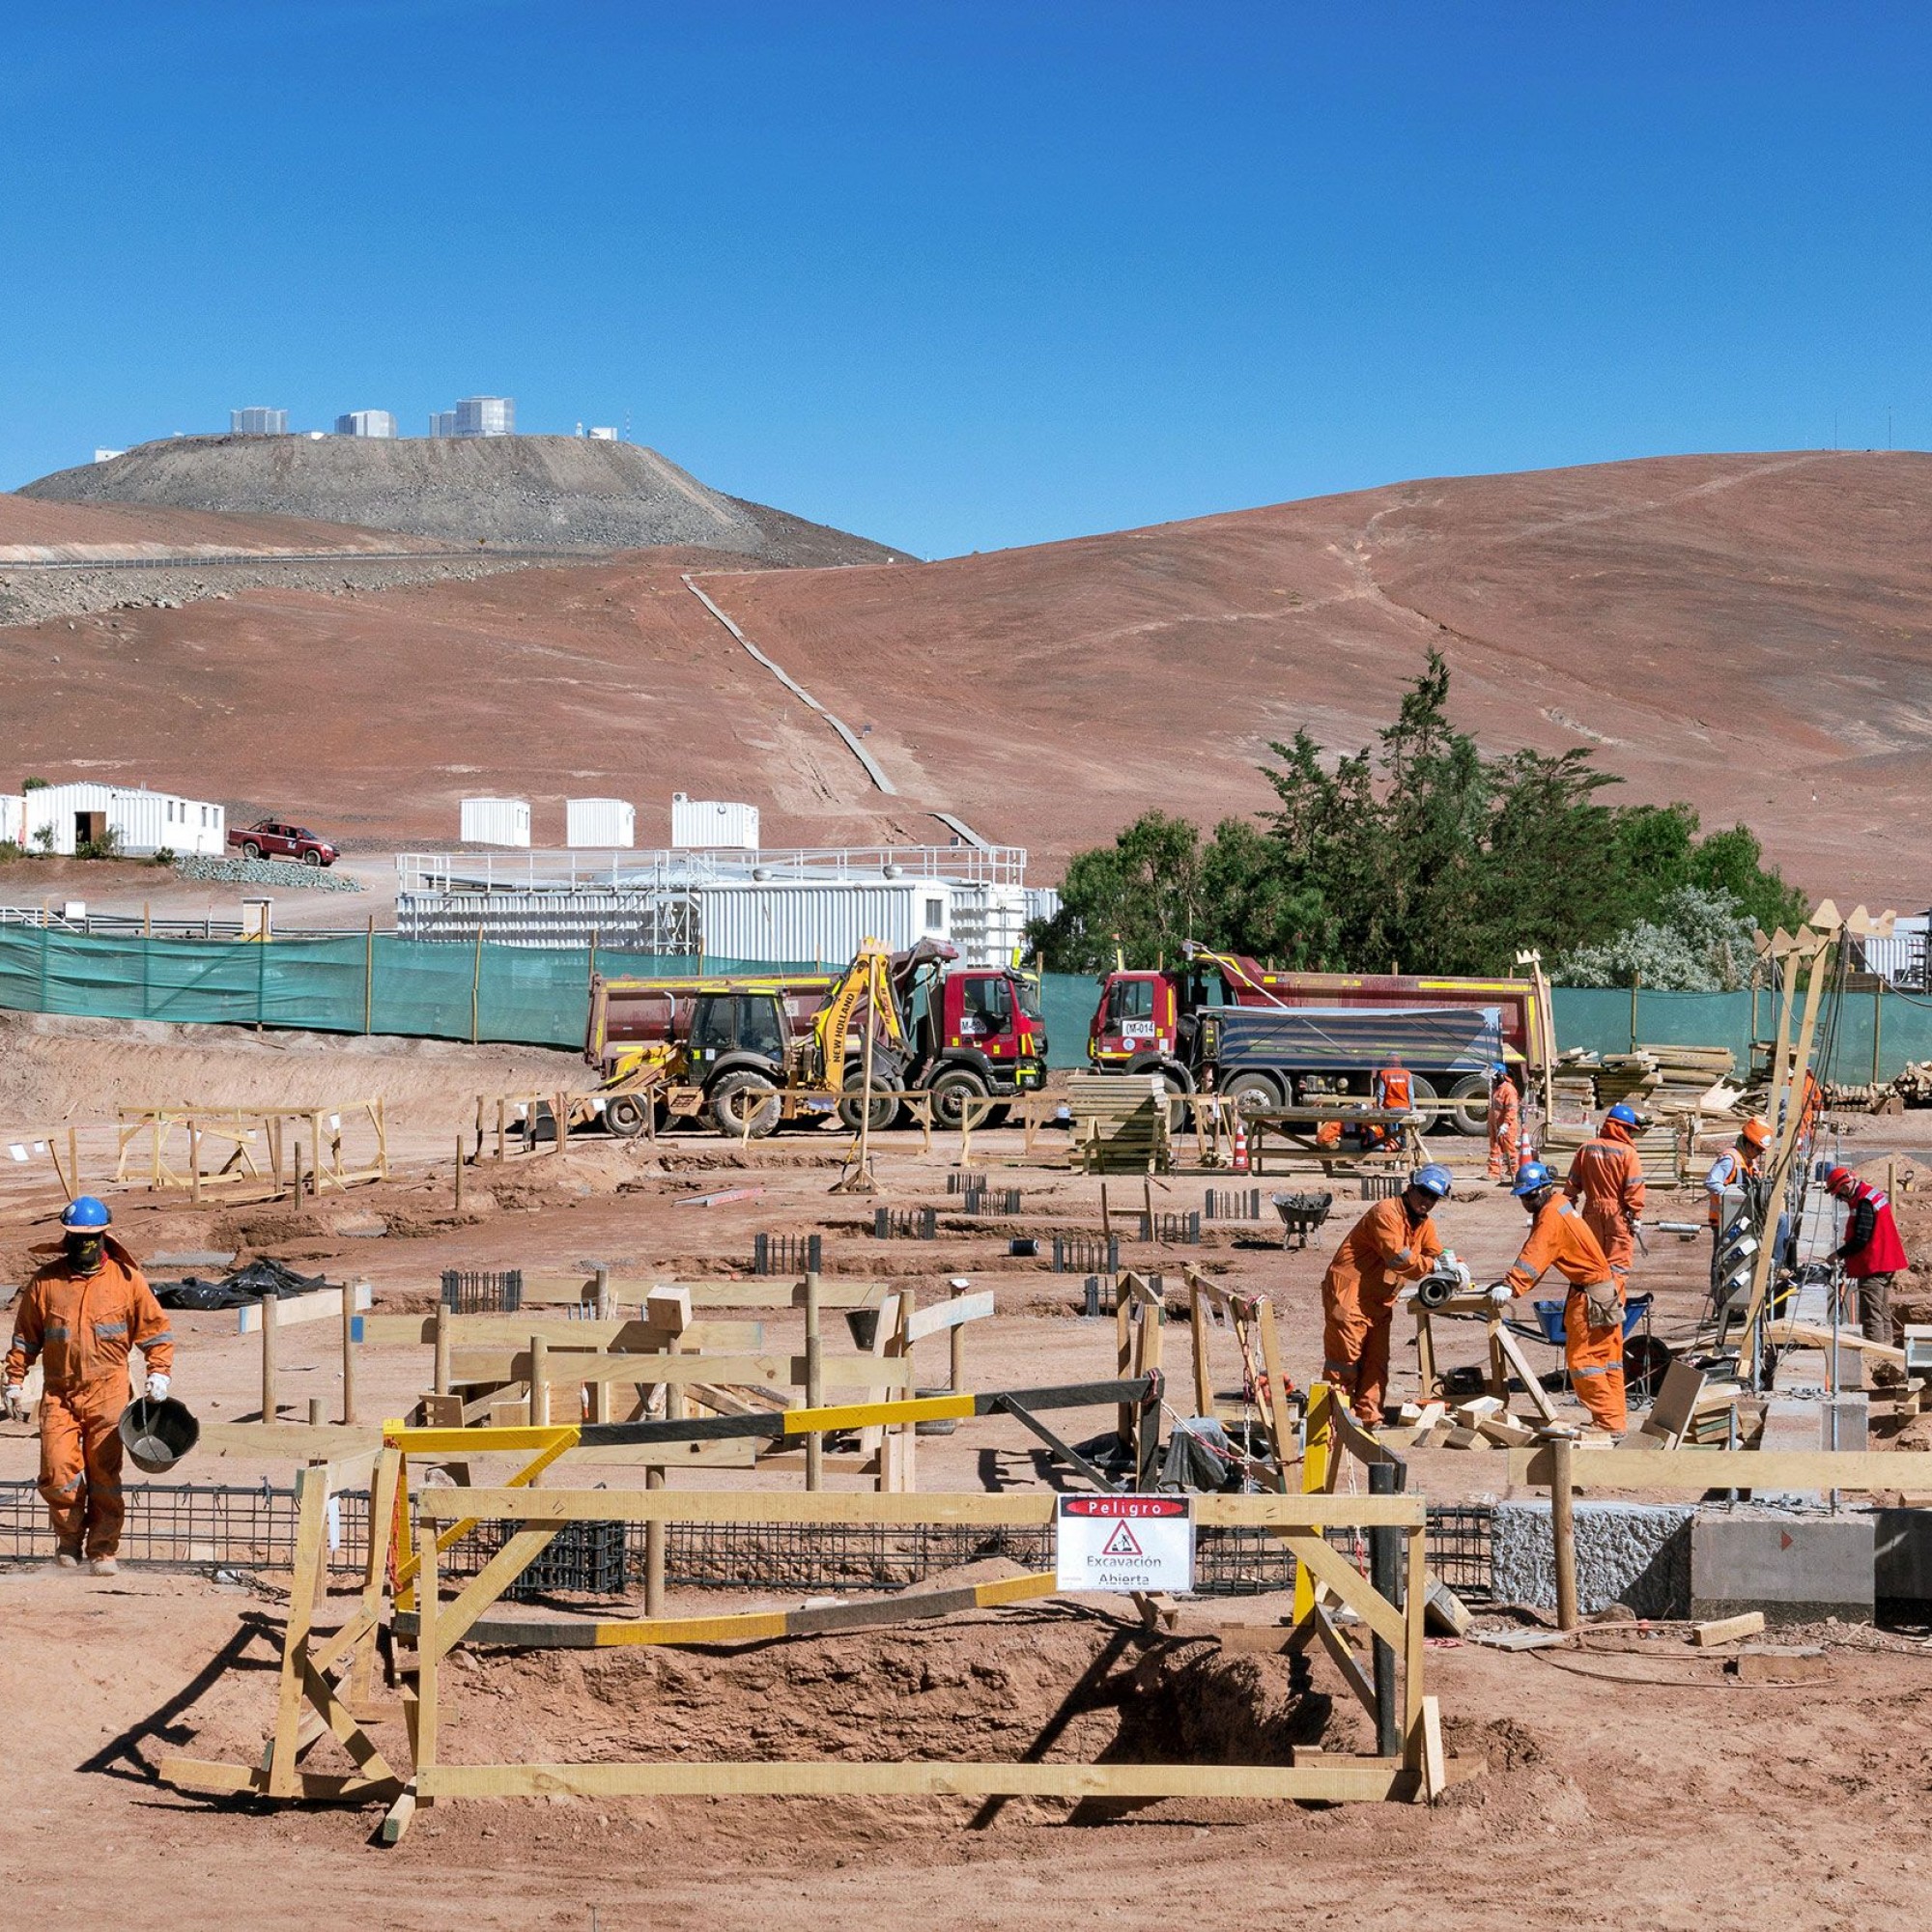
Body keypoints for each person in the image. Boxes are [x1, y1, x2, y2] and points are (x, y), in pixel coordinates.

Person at [2, 1197, 174, 1576]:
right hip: (59, 1394)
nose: (84, 1244)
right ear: (66, 1237)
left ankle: (102, 1550)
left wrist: (159, 1372)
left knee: (104, 1476)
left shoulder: (127, 1282)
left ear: (103, 1236)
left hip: (109, 1392)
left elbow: (156, 1333)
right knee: (58, 1469)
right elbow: (25, 1339)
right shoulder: (46, 1283)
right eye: (77, 1237)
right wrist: (14, 1380)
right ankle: (67, 1541)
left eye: (91, 1237)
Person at [1491, 1161, 1627, 1434]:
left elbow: (1536, 1254)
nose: (1526, 1202)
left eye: (1529, 1196)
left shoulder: (1551, 1215)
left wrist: (1511, 1286)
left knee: (1584, 1362)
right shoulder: (1560, 1205)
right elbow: (1542, 1255)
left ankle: (1607, 1423)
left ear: (1544, 1189)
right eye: (1522, 1197)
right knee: (1607, 1359)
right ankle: (1614, 1421)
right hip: (1604, 1291)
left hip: (1590, 1297)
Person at [1320, 1163, 1453, 1428]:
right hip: (1350, 1293)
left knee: (1376, 1362)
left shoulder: (1424, 1224)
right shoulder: (1386, 1213)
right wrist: (1433, 1265)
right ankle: (1337, 1419)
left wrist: (1452, 1261)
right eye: (1423, 1193)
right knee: (1345, 1361)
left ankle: (1369, 1418)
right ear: (1411, 1187)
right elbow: (1398, 1258)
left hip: (1379, 1299)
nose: (1426, 1202)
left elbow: (1434, 1250)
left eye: (1433, 1198)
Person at [1824, 1166, 1909, 1359]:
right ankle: (1889, 1354)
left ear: (1845, 1187)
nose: (1842, 1200)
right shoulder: (1869, 1194)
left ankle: (1876, 1357)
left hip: (1875, 1264)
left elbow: (1861, 1238)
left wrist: (1838, 1254)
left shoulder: (1864, 1201)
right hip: (1884, 1261)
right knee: (1882, 1309)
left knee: (1871, 1315)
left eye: (1840, 1195)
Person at [1564, 1101, 1647, 1284]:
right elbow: (1634, 1188)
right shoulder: (1628, 1153)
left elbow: (1571, 1187)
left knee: (1592, 1262)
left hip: (1591, 1212)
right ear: (1623, 1128)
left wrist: (1567, 1214)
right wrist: (1636, 1216)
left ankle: (1590, 1307)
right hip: (1617, 1215)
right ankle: (1612, 1309)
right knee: (1617, 1266)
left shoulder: (1586, 1148)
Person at [1705, 1116, 1771, 1264]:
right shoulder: (1730, 1159)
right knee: (1721, 1259)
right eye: (1758, 1150)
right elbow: (1711, 1182)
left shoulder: (1748, 1160)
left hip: (1741, 1217)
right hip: (1724, 1219)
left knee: (1736, 1260)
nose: (1759, 1154)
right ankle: (1716, 1287)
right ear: (1749, 1145)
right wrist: (1731, 1198)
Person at [1486, 1061, 1520, 1184]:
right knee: (1495, 1148)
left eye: (1494, 1076)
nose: (1492, 1079)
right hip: (1495, 1125)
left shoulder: (1508, 1090)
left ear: (1501, 1075)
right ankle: (1494, 1172)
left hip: (1507, 1126)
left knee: (1509, 1149)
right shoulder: (1496, 1089)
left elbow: (1512, 1109)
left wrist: (1506, 1124)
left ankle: (1514, 1171)